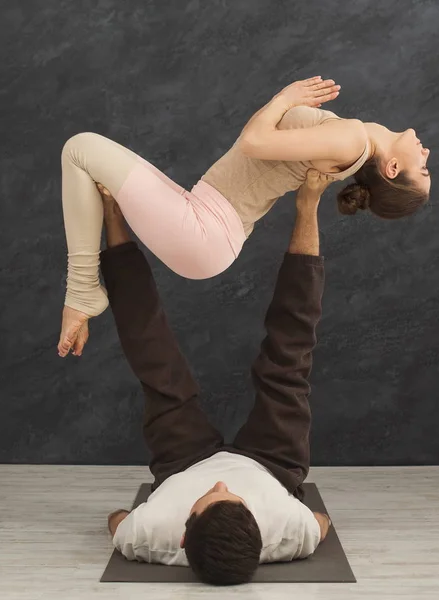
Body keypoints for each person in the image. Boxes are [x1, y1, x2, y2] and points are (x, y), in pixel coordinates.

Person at [58, 75, 431, 357]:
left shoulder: (353, 139)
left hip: (205, 230)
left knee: (80, 149)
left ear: (393, 168)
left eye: (424, 170)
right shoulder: (353, 142)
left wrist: (284, 98)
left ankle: (82, 290)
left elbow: (253, 143)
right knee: (90, 166)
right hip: (204, 217)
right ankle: (83, 292)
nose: (427, 154)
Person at [100, 169, 332, 586]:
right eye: (234, 497)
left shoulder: (149, 534)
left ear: (183, 535)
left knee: (155, 359)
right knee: (289, 360)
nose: (222, 482)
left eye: (211, 496)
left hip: (183, 462)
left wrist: (133, 515)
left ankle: (113, 214)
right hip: (271, 465)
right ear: (261, 535)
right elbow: (322, 523)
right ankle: (309, 204)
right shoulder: (290, 531)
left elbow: (116, 522)